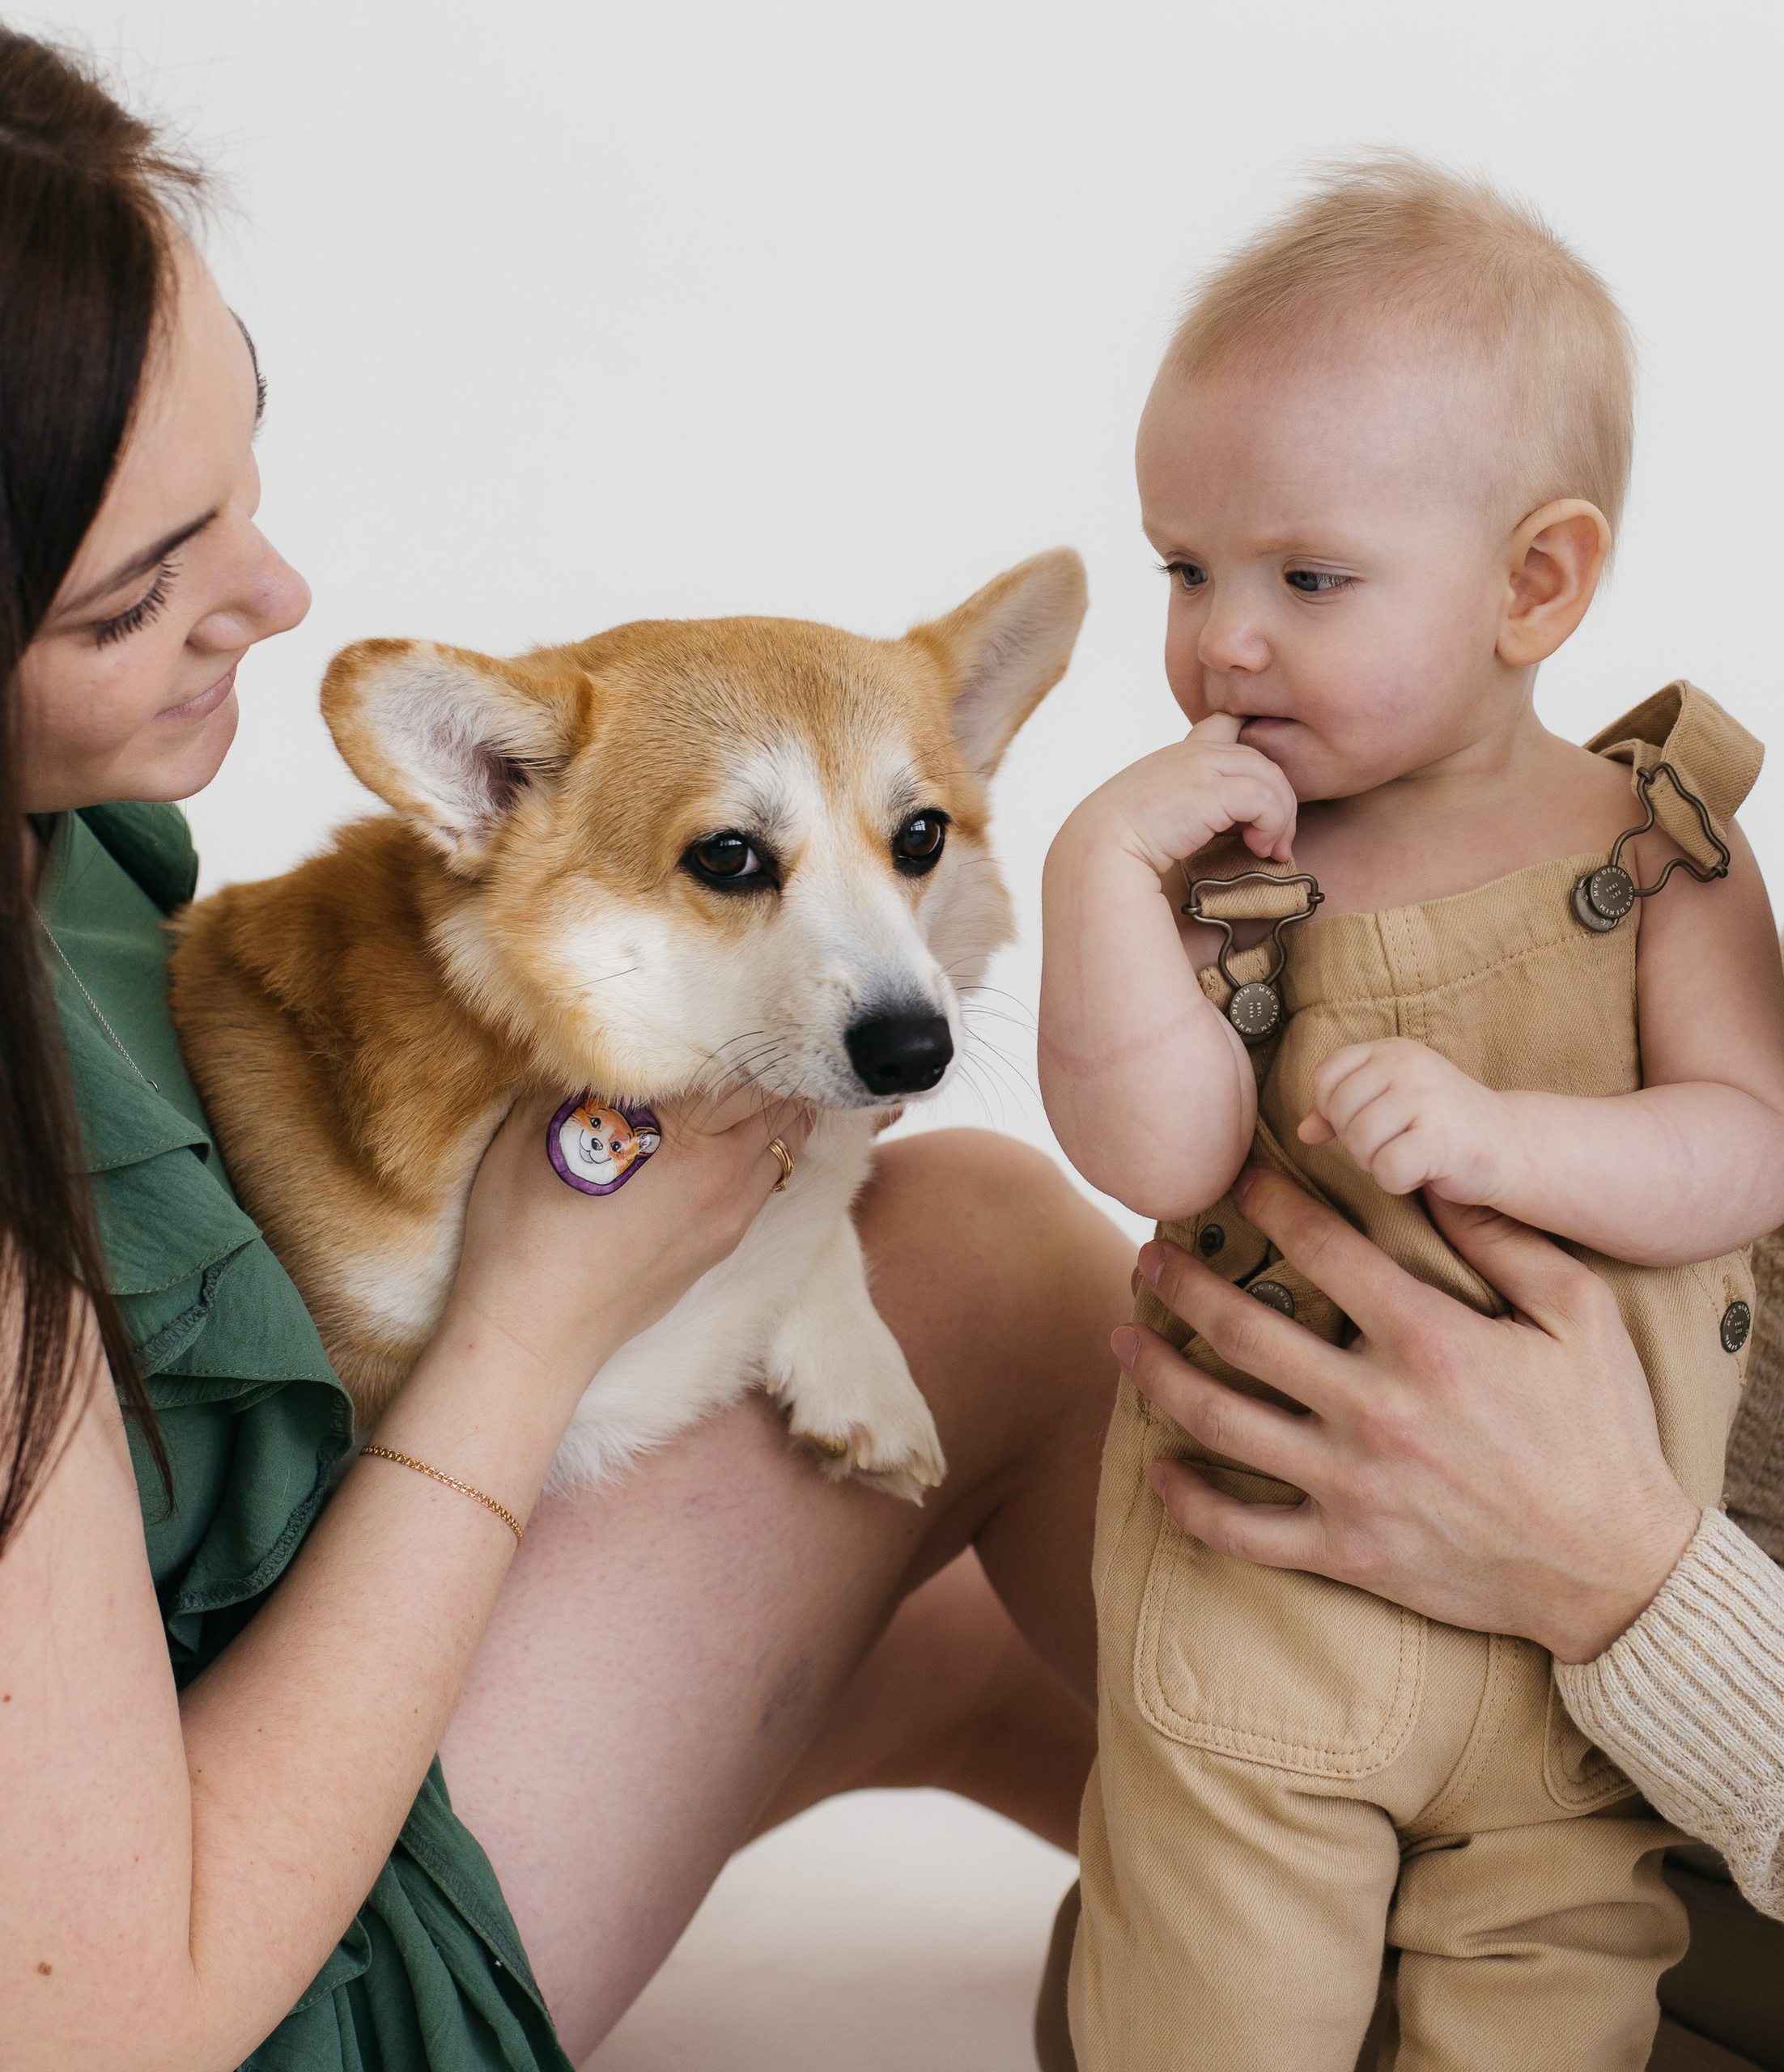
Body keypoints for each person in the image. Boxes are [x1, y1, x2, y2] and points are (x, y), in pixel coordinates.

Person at [0, 32, 1127, 2070]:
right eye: (137, 594)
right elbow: (108, 2021)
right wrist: (528, 1324)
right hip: (249, 1991)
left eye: (246, 453)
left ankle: (1437, 1888)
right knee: (1007, 1267)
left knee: (941, 1615)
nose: (273, 588)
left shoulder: (48, 835)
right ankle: (1474, 1917)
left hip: (204, 1731)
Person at [1075, 279, 1784, 2070]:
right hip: (1350, 1675)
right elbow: (1761, 1662)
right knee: (1199, 1965)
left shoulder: (1676, 885)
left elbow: (1670, 1610)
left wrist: (1615, 1570)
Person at [1039, 155, 1784, 2071]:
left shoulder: (1652, 855)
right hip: (1263, 1619)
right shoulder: (1226, 856)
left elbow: (1749, 1142)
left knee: (1554, 2005)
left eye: (1305, 577)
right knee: (1207, 2016)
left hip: (1584, 1671)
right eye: (1184, 567)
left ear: (1532, 584)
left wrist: (1505, 1137)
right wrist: (1090, 879)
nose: (1221, 639)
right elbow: (1154, 1155)